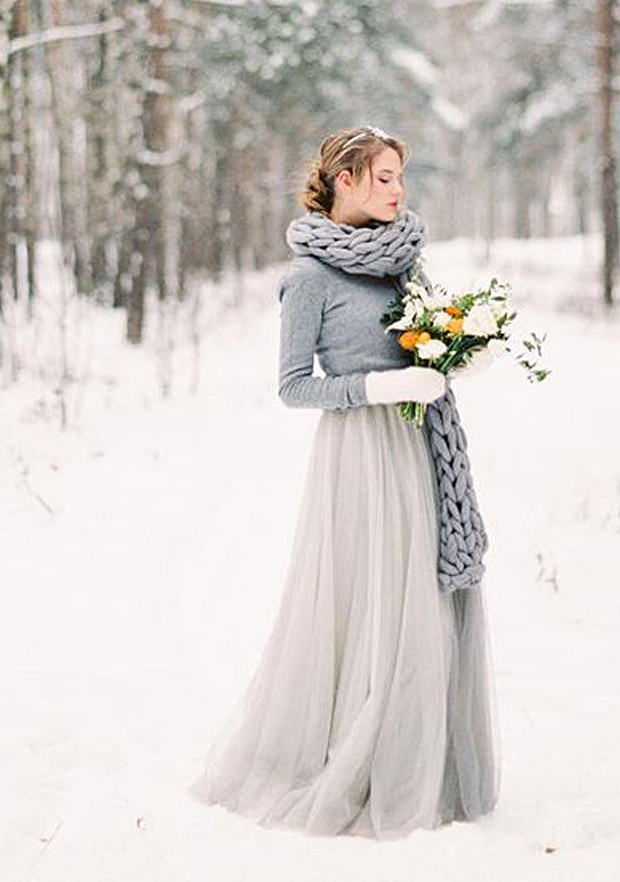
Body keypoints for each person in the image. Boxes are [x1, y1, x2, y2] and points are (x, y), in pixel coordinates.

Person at [188, 125, 500, 841]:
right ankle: (357, 756)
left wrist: (459, 357)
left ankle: (420, 759)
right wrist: (382, 387)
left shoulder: (404, 263)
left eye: (400, 177)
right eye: (385, 176)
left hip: (420, 445)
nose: (399, 190)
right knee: (375, 606)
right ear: (347, 179)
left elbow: (429, 339)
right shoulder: (309, 281)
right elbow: (295, 388)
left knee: (424, 597)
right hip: (359, 456)